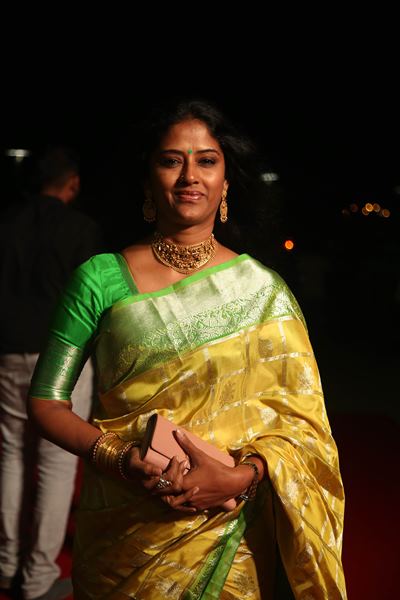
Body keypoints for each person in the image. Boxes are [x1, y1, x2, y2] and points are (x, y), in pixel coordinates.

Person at [28, 100, 347, 599]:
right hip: (126, 539)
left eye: (207, 161)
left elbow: (304, 429)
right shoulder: (99, 279)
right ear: (148, 179)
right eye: (171, 160)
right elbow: (46, 401)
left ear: (226, 183)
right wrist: (119, 457)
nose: (189, 176)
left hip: (233, 538)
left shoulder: (263, 291)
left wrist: (242, 476)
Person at [0, 146, 103, 599]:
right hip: (62, 354)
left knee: (10, 456)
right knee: (57, 464)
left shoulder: (5, 223)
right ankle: (39, 575)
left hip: (7, 349)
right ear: (72, 183)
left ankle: (6, 564)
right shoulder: (81, 229)